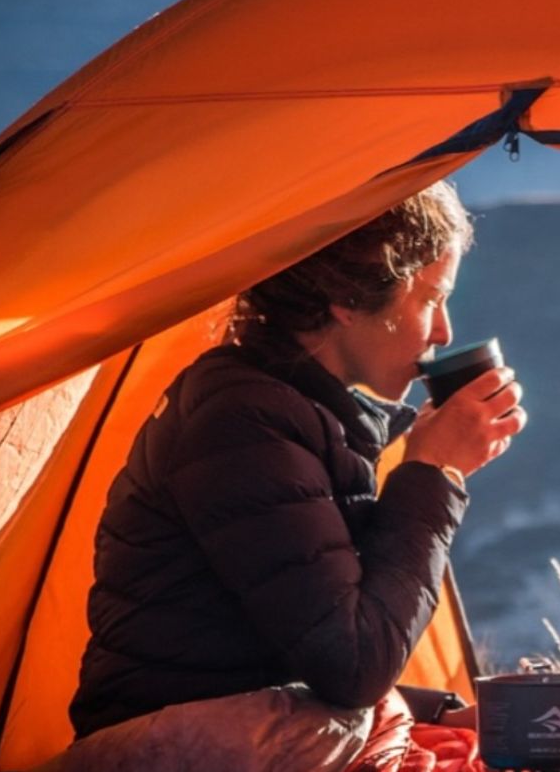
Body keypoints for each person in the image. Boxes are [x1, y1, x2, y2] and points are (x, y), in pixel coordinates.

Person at [69, 181, 524, 739]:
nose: (442, 332)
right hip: (172, 760)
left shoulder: (305, 414)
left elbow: (285, 662)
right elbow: (354, 665)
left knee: (548, 756)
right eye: (430, 299)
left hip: (237, 738)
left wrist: (442, 714)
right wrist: (430, 473)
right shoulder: (243, 424)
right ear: (348, 299)